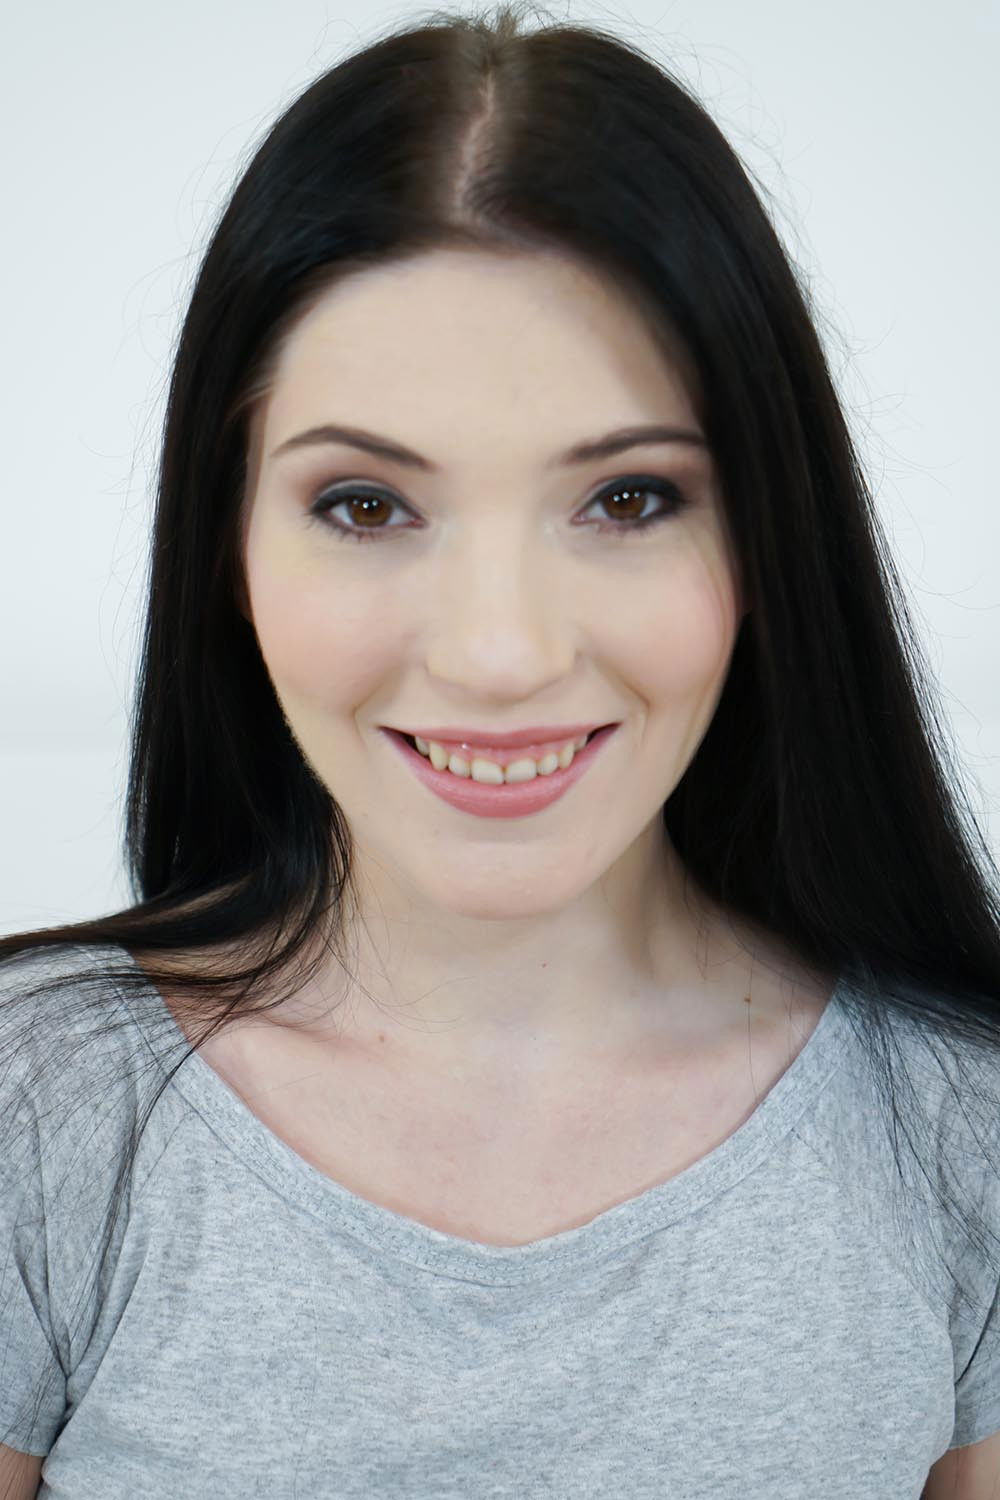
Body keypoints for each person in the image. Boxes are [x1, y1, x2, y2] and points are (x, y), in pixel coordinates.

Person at [2, 5, 999, 1496]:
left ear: (767, 543)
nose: (499, 652)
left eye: (628, 500)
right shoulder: (40, 1115)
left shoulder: (963, 1131)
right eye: (364, 505)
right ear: (227, 551)